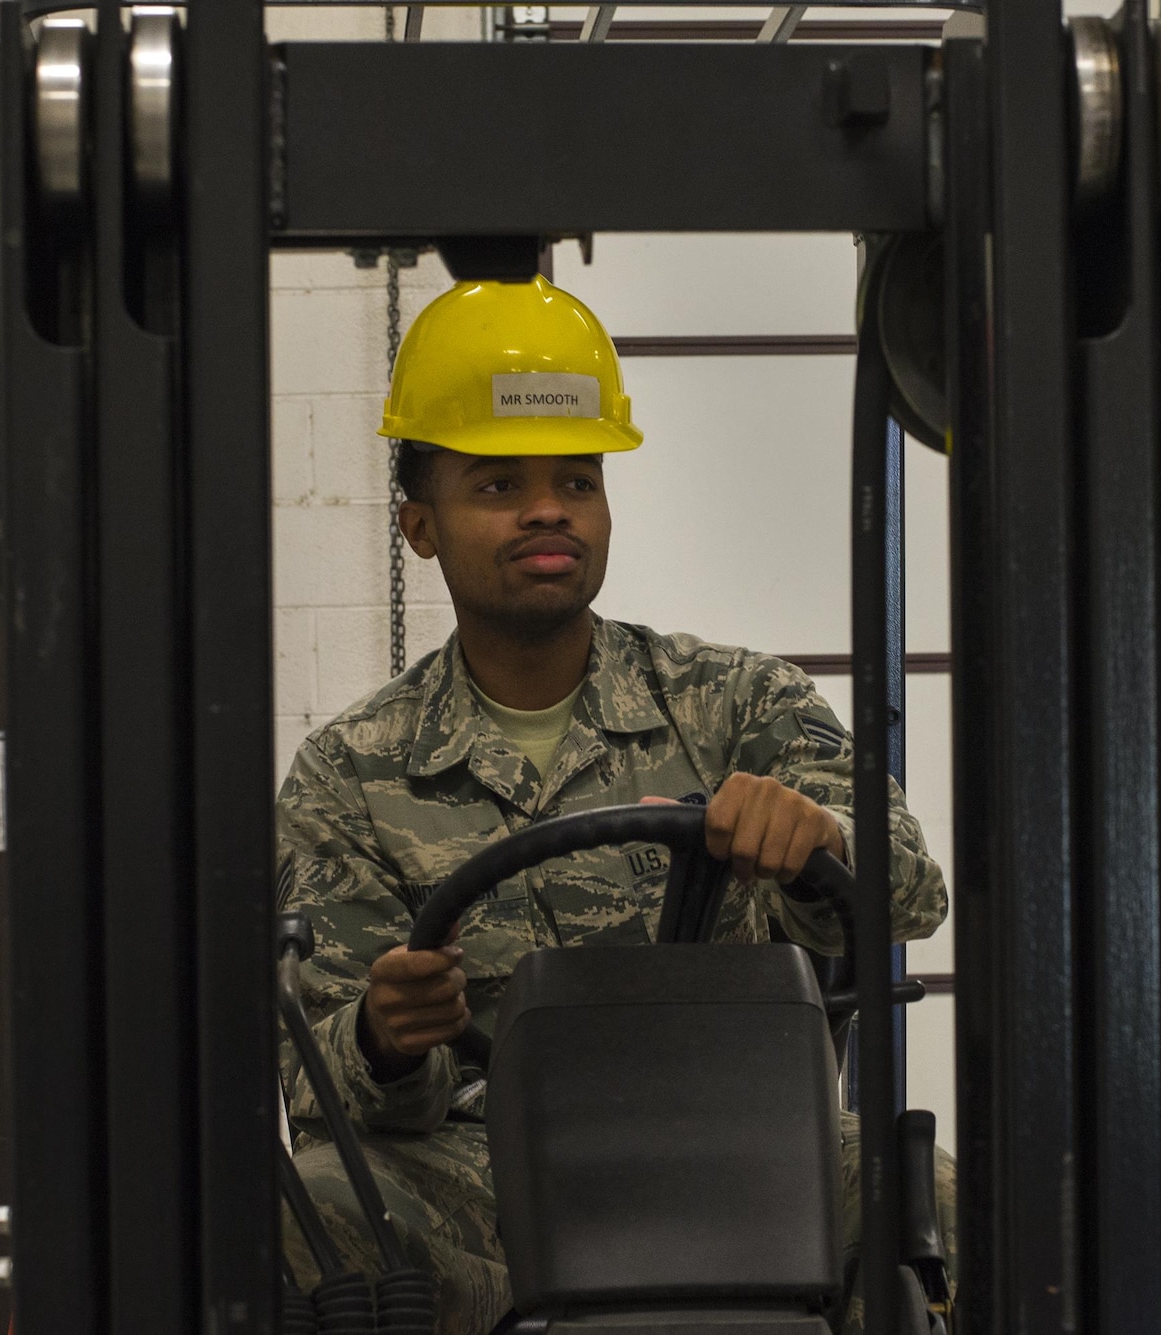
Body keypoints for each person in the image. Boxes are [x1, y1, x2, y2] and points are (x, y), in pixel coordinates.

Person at [275, 274, 954, 1335]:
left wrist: (817, 840)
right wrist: (386, 1037)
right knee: (297, 1215)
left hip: (736, 1139)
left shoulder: (738, 701)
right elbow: (318, 1083)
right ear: (417, 525)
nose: (548, 508)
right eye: (498, 486)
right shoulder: (348, 775)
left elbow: (907, 890)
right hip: (481, 1175)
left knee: (954, 1206)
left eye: (576, 481)